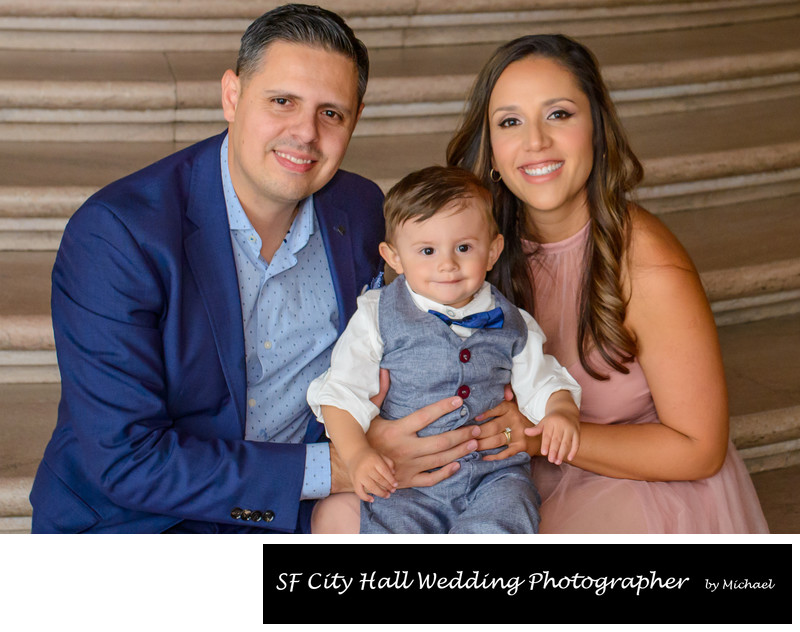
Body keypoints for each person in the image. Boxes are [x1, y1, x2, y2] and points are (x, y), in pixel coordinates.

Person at [29, 4, 478, 534]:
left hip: (301, 515)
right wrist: (335, 468)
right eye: (282, 101)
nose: (305, 133)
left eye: (330, 113)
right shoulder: (118, 234)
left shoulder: (358, 210)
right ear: (232, 96)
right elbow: (127, 458)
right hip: (143, 523)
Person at [446, 34, 769, 533]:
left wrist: (535, 437)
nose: (535, 142)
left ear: (596, 128)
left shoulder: (648, 264)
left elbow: (698, 450)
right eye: (511, 122)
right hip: (507, 475)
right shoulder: (473, 246)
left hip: (643, 487)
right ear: (490, 149)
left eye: (558, 114)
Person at [307, 166, 581, 533]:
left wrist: (561, 411)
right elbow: (341, 393)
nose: (447, 264)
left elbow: (542, 381)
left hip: (494, 476)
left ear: (492, 250)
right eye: (427, 250)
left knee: (512, 511)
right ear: (394, 257)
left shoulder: (513, 321)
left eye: (464, 248)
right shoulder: (377, 314)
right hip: (408, 482)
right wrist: (357, 456)